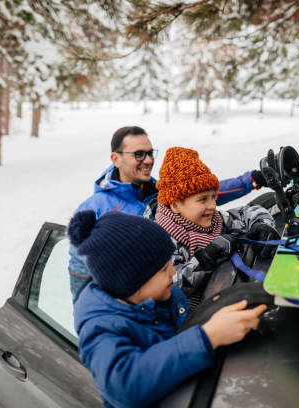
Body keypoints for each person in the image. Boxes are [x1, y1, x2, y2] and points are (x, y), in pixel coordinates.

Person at [69, 210, 267, 407]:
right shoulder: (99, 326)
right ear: (134, 281)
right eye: (164, 268)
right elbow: (125, 387)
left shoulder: (164, 294)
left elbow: (188, 328)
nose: (173, 272)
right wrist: (208, 337)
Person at [68, 126, 268, 302]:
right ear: (115, 158)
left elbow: (203, 197)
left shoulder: (159, 190)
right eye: (139, 154)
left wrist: (250, 180)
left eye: (150, 153)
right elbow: (82, 272)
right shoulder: (96, 209)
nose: (148, 161)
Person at [153, 147, 280, 306]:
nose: (213, 205)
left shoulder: (216, 220)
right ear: (176, 205)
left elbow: (249, 211)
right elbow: (169, 287)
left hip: (220, 299)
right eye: (203, 199)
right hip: (185, 321)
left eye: (213, 197)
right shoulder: (162, 240)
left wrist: (262, 224)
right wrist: (206, 258)